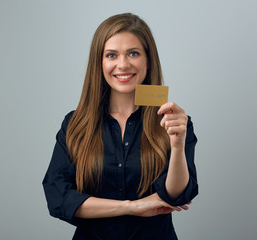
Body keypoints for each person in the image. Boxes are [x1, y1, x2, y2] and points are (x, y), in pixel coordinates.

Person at [42, 13, 198, 240]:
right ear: (100, 62)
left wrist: (177, 145)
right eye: (111, 55)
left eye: (133, 53)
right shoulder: (75, 124)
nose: (123, 64)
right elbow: (58, 197)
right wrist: (131, 206)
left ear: (148, 59)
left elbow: (176, 196)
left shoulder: (172, 121)